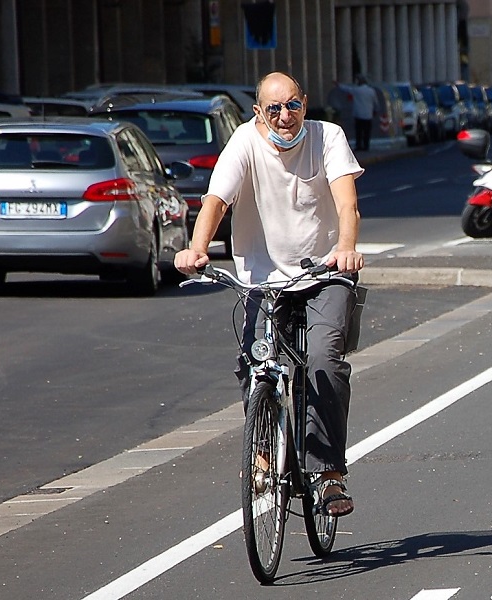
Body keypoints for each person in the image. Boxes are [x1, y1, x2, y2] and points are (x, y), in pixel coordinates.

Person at [174, 71, 364, 517]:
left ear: (305, 103)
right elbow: (216, 200)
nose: (284, 116)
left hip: (326, 270)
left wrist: (347, 248)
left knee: (323, 358)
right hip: (263, 278)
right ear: (259, 112)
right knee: (254, 362)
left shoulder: (327, 136)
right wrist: (197, 249)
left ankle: (329, 473)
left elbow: (346, 204)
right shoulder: (243, 141)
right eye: (273, 108)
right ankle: (262, 451)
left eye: (292, 105)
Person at [335, 75, 379, 151]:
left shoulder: (356, 90)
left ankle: (359, 145)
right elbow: (376, 103)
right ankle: (366, 146)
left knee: (359, 131)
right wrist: (375, 110)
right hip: (368, 115)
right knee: (367, 131)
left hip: (358, 114)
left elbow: (346, 89)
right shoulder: (371, 91)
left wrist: (338, 84)